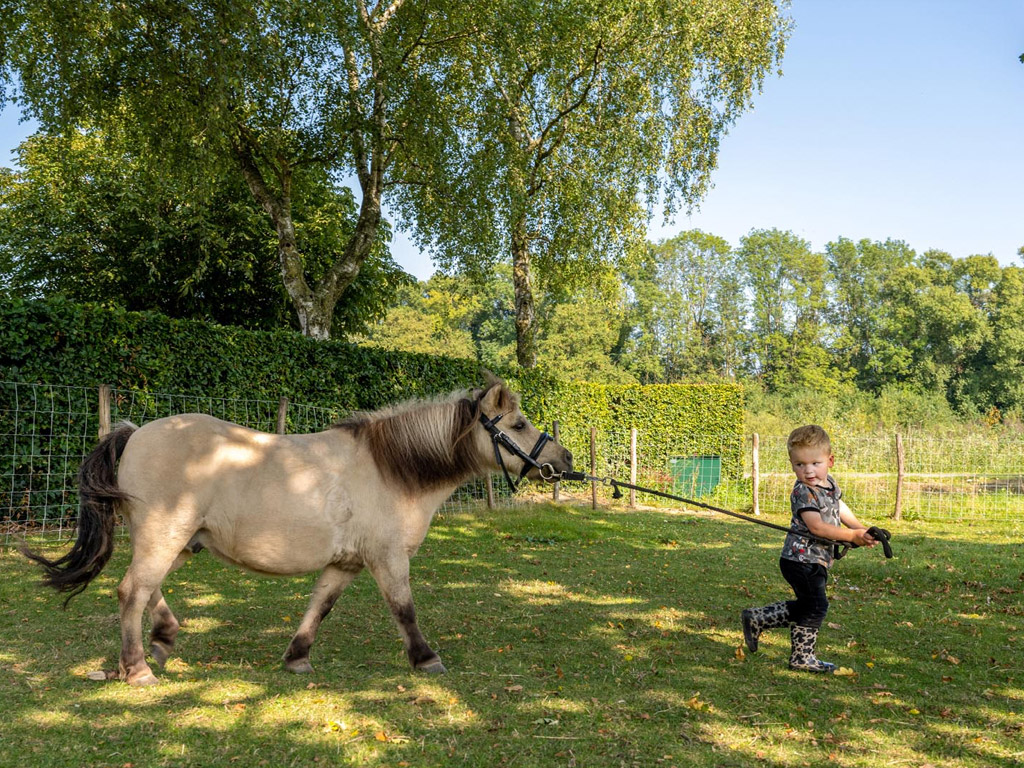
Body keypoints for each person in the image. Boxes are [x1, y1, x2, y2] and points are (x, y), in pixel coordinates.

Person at [741, 425, 877, 673]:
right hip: (800, 560)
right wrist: (852, 536)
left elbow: (839, 507)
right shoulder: (803, 491)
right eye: (800, 465)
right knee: (816, 606)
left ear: (830, 460)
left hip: (816, 560)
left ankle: (758, 618)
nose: (809, 471)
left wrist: (862, 529)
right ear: (792, 464)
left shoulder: (828, 484)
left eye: (815, 463)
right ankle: (802, 658)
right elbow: (817, 528)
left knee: (808, 605)